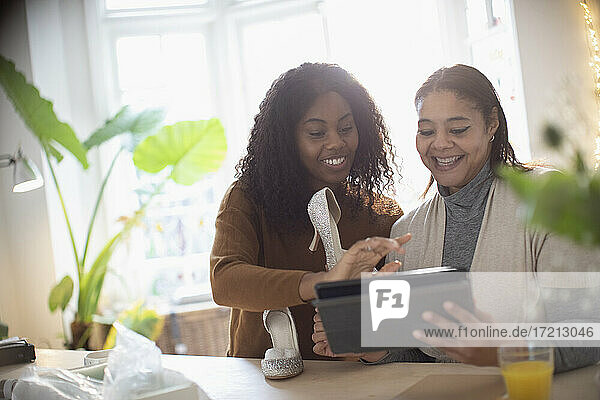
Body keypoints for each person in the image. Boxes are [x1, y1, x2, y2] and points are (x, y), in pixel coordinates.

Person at [313, 64, 600, 371]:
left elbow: (586, 333)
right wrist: (368, 346)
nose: (440, 144)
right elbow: (419, 353)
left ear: (491, 124)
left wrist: (501, 351)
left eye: (458, 129)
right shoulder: (407, 231)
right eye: (426, 131)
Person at [210, 62, 409, 360]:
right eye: (316, 133)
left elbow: (395, 330)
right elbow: (225, 281)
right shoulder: (248, 198)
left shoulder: (381, 214)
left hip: (353, 385)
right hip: (260, 385)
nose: (336, 143)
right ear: (286, 141)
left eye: (346, 128)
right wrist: (320, 284)